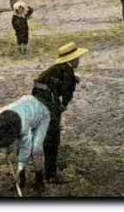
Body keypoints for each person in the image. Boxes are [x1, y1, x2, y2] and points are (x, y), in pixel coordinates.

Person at [32, 42, 88, 183]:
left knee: (43, 133)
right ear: (72, 59)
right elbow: (67, 94)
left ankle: (41, 167)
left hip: (38, 99)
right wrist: (61, 107)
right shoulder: (67, 71)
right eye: (77, 59)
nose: (78, 61)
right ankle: (50, 174)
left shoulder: (55, 68)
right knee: (53, 136)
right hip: (49, 102)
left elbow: (41, 83)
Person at [0, 95, 51, 194]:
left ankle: (39, 180)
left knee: (36, 149)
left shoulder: (23, 126)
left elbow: (26, 148)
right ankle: (22, 179)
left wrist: (19, 168)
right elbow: (1, 137)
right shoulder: (0, 119)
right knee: (18, 148)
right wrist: (4, 149)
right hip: (27, 109)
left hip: (42, 116)